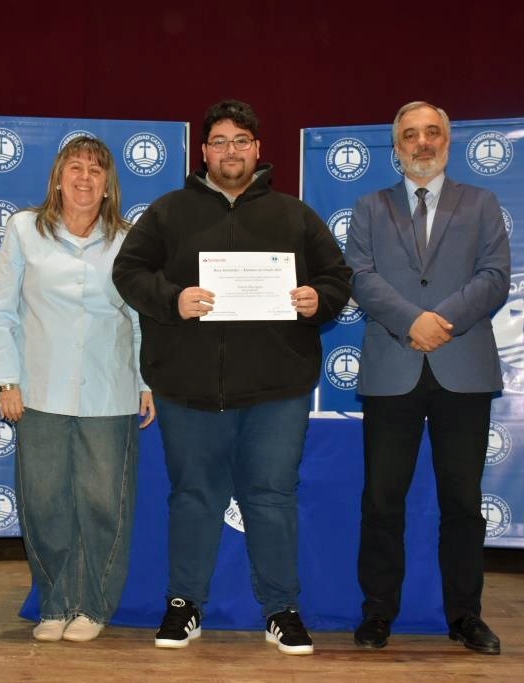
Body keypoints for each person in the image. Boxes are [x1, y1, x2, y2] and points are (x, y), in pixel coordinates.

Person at [112, 100, 351, 655]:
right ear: (204, 152)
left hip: (276, 392)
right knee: (193, 497)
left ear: (258, 150)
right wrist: (173, 299)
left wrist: (319, 299)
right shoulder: (170, 212)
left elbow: (337, 278)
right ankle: (183, 605)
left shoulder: (295, 215)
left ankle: (282, 609)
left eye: (241, 141)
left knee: (271, 497)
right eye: (219, 141)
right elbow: (128, 272)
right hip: (188, 390)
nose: (230, 152)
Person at [344, 101, 510, 655]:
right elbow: (360, 277)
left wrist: (442, 322)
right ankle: (377, 614)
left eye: (431, 133)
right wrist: (410, 321)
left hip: (461, 368)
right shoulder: (369, 207)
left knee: (462, 503)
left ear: (448, 141)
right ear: (396, 146)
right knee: (382, 501)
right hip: (393, 368)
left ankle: (465, 617)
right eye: (410, 135)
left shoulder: (482, 203)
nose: (421, 143)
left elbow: (494, 277)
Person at [0, 136, 155, 643]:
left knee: (106, 503)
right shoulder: (23, 230)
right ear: (58, 178)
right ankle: (54, 603)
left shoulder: (129, 240)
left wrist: (146, 382)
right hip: (38, 392)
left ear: (108, 186)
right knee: (44, 502)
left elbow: (142, 318)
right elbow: (2, 310)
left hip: (112, 391)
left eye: (96, 171)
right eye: (75, 167)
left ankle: (94, 605)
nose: (85, 177)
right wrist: (6, 380)